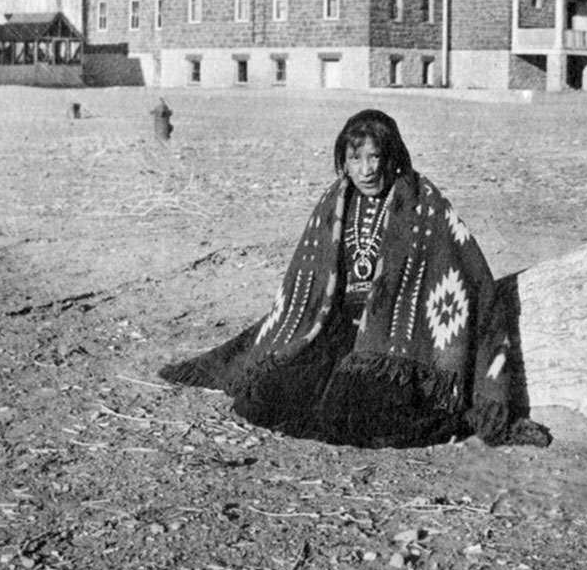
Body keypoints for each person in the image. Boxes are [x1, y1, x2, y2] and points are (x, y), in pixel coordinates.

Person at [159, 109, 547, 449]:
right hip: (335, 326)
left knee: (373, 412)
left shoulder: (422, 201)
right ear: (343, 162)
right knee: (266, 396)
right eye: (355, 158)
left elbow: (464, 267)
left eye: (376, 157)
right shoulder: (335, 203)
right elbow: (306, 276)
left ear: (392, 157)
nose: (367, 169)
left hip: (397, 337)